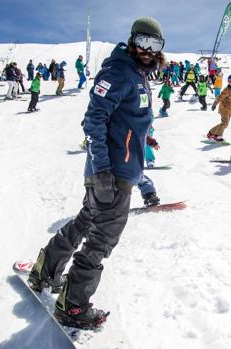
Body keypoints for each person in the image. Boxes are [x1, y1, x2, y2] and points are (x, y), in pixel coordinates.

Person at [27, 16, 165, 329]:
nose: (147, 49)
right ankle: (73, 307)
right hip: (112, 173)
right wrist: (102, 170)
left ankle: (44, 270)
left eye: (154, 44)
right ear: (132, 41)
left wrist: (144, 137)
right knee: (101, 241)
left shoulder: (137, 74)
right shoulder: (120, 72)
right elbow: (93, 120)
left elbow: (126, 117)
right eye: (142, 42)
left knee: (85, 222)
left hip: (118, 167)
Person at [207, 75, 231, 142]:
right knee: (224, 123)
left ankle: (211, 133)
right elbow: (219, 97)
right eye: (230, 81)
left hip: (230, 110)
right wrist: (214, 104)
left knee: (224, 124)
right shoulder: (226, 90)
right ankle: (218, 136)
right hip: (224, 109)